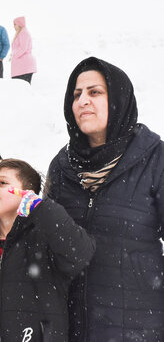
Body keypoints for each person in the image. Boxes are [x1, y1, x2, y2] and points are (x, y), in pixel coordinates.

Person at [44, 57, 164, 341]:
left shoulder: (155, 159)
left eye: (94, 92)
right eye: (76, 94)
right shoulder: (61, 168)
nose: (83, 100)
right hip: (73, 328)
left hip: (139, 328)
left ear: (118, 99)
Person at [0, 159, 95, 341]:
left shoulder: (46, 241)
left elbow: (80, 254)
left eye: (2, 183)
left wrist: (43, 208)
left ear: (27, 192)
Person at [10, 16, 37, 83]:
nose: (14, 26)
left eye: (15, 24)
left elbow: (23, 48)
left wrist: (15, 55)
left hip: (24, 66)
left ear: (19, 24)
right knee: (20, 87)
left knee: (23, 88)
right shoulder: (21, 33)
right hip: (21, 66)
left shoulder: (24, 33)